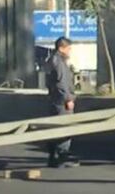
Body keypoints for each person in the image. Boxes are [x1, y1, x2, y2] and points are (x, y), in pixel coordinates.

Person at [46, 37, 79, 168]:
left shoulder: (52, 60)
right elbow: (61, 83)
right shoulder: (59, 62)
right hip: (62, 101)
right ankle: (62, 155)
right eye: (68, 48)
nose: (70, 51)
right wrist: (68, 99)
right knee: (64, 127)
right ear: (61, 48)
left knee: (55, 127)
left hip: (55, 99)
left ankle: (53, 156)